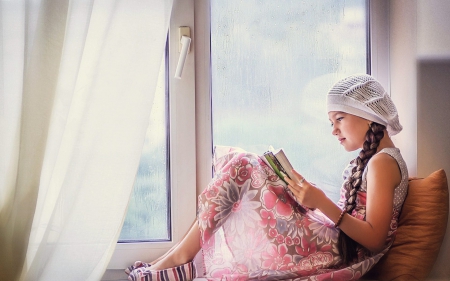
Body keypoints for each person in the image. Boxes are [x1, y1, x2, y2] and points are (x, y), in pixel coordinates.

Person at [125, 74, 408, 281]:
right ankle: (177, 258)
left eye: (339, 119)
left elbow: (374, 238)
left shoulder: (383, 162)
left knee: (244, 165)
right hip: (336, 240)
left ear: (368, 114)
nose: (333, 130)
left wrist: (320, 202)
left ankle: (179, 260)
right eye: (330, 122)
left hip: (341, 251)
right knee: (253, 166)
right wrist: (307, 195)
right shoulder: (376, 160)